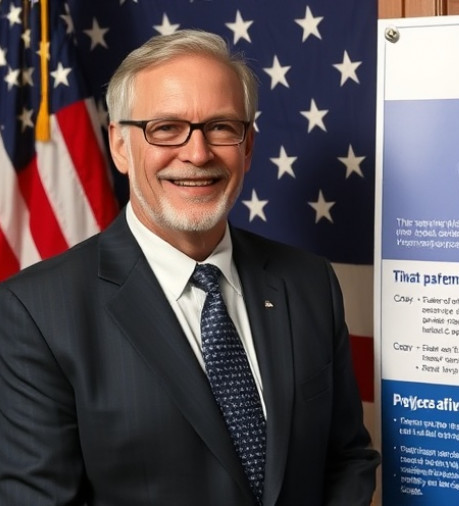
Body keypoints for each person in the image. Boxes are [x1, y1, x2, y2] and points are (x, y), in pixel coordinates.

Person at [0, 30, 379, 505]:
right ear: (119, 144)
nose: (197, 154)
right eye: (166, 128)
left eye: (221, 127)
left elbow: (345, 458)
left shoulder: (308, 282)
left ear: (248, 146)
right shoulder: (36, 312)